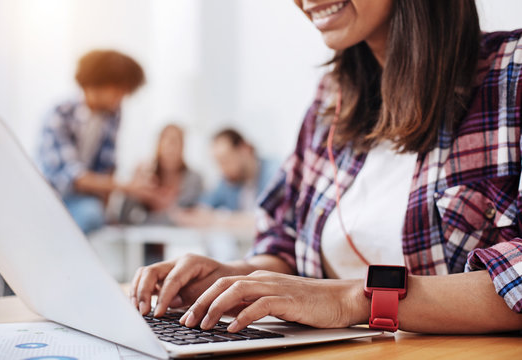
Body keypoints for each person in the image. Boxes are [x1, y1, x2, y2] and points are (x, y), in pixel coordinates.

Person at [130, 0, 522, 335]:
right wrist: (237, 276)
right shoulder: (331, 99)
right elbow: (287, 241)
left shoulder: (512, 73)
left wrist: (351, 298)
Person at [37, 50, 149, 234]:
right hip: (49, 196)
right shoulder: (60, 113)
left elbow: (107, 166)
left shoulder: (113, 115)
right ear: (95, 84)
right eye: (118, 89)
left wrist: (107, 211)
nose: (122, 96)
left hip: (83, 202)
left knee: (93, 214)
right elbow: (74, 177)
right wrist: (128, 185)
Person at [171, 128, 279, 230]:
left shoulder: (276, 173)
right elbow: (204, 206)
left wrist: (218, 219)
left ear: (244, 149)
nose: (223, 169)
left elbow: (268, 219)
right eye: (219, 163)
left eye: (225, 160)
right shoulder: (228, 182)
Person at [118, 124, 203, 225]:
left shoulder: (194, 179)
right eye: (166, 143)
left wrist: (153, 200)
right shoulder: (145, 175)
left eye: (175, 143)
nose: (170, 149)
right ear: (158, 145)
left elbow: (187, 217)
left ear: (183, 147)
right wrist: (133, 191)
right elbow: (125, 218)